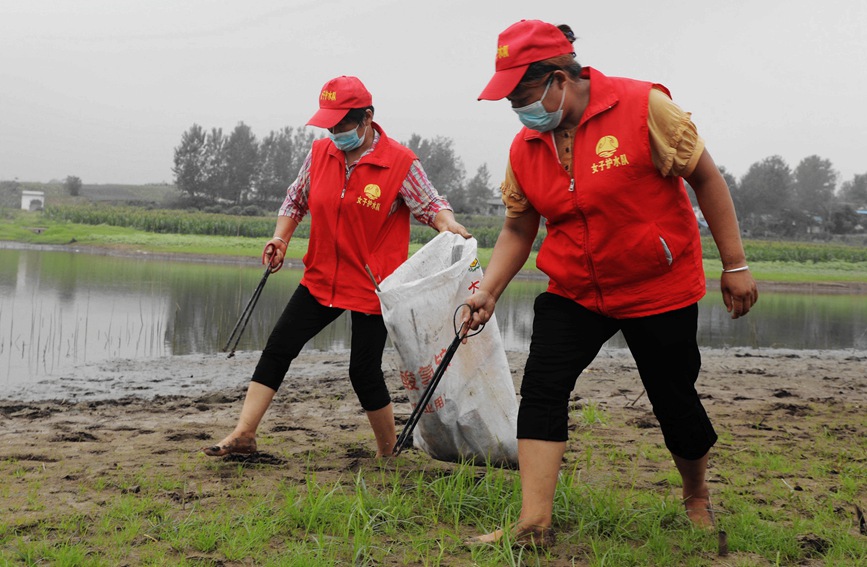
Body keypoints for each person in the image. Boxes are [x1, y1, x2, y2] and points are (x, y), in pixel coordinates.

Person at [462, 20, 758, 546]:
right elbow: (518, 225)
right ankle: (534, 524)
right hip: (576, 288)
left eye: (522, 95)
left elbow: (706, 178)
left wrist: (733, 264)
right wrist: (487, 290)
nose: (517, 109)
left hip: (655, 285)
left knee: (674, 399)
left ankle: (696, 497)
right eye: (509, 100)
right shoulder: (526, 146)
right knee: (542, 387)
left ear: (559, 79)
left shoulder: (644, 107)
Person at [203, 75, 470, 459]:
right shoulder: (319, 154)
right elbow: (296, 200)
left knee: (362, 372)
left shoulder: (400, 162)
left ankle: (386, 452)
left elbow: (430, 204)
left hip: (371, 286)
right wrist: (281, 239)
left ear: (367, 118)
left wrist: (447, 223)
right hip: (321, 278)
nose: (335, 131)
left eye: (343, 123)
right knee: (278, 347)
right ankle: (244, 434)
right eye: (329, 124)